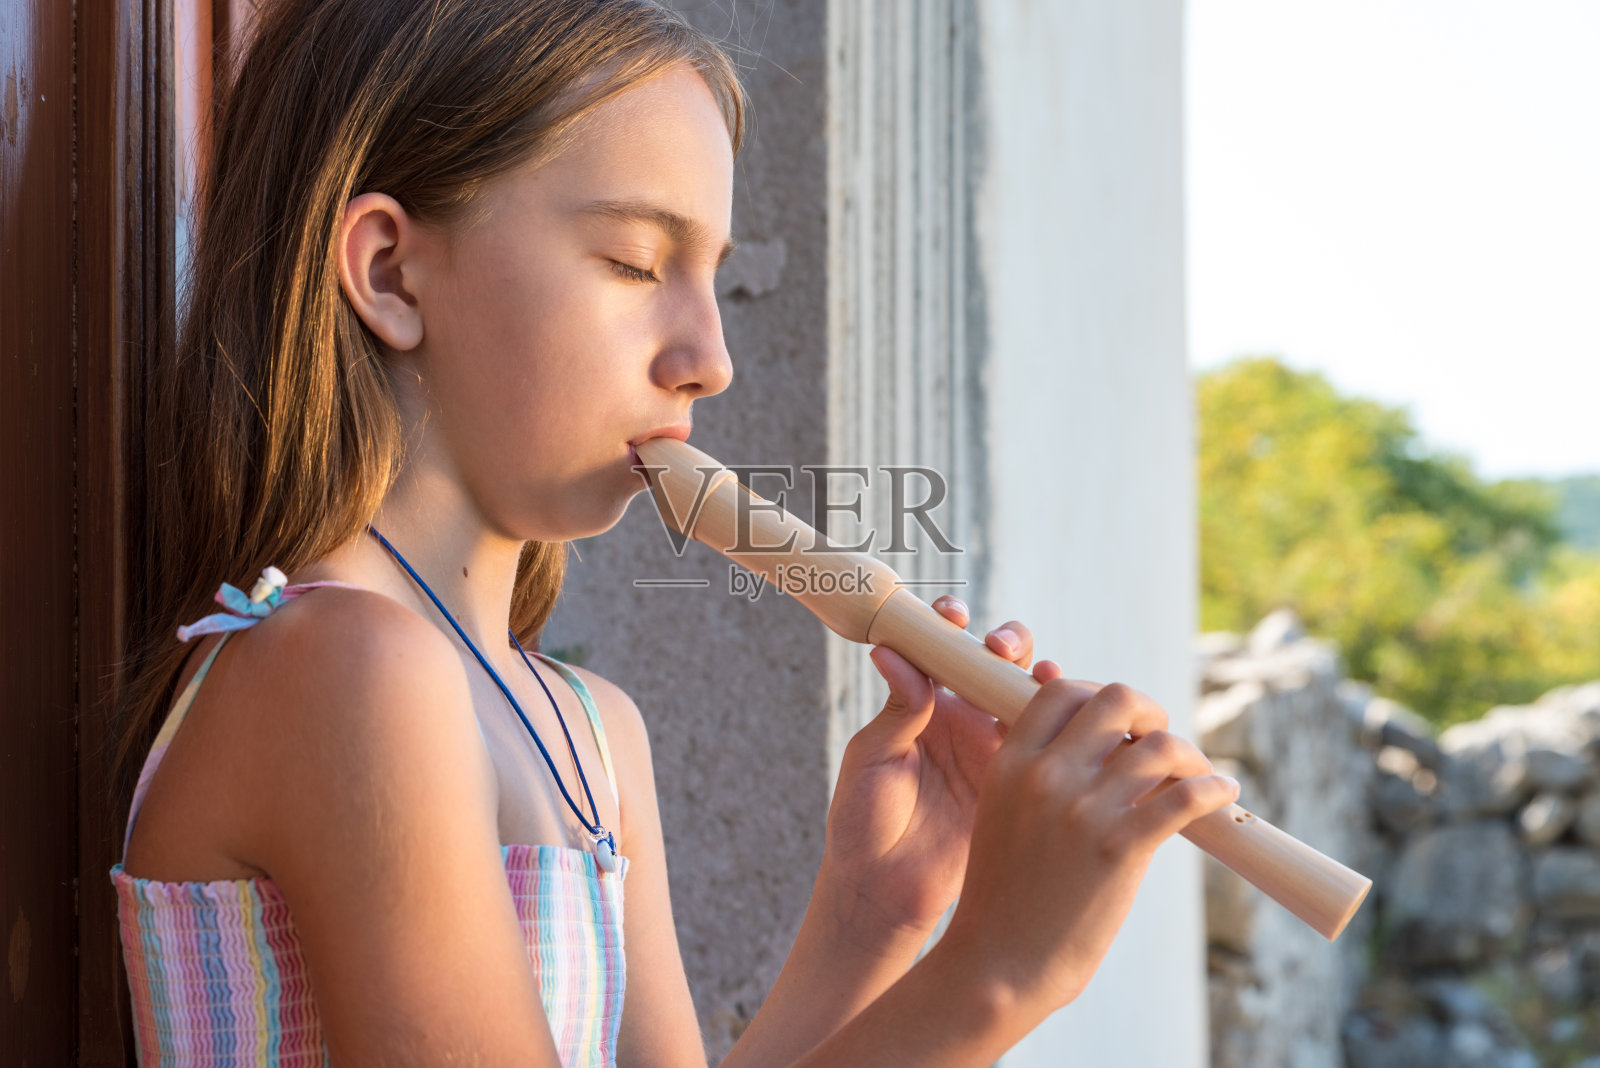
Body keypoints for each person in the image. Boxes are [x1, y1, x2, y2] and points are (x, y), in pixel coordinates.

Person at [112, 0, 1240, 1064]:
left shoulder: (593, 729)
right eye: (634, 263)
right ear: (391, 271)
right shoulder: (338, 671)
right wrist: (1001, 973)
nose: (709, 357)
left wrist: (870, 919)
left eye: (714, 277)